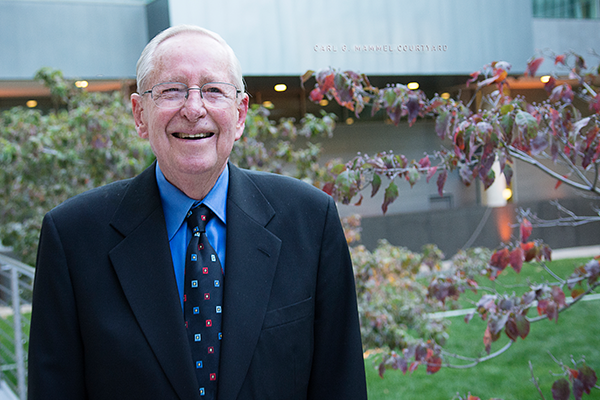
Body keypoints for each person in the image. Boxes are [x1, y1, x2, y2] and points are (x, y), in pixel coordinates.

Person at [27, 24, 367, 399]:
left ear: (239, 115)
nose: (193, 109)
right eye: (171, 90)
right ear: (140, 115)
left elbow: (341, 383)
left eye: (213, 91)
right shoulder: (72, 236)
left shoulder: (310, 220)